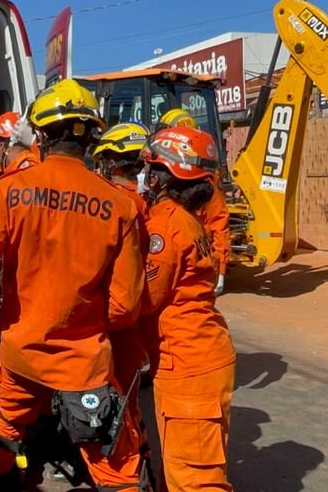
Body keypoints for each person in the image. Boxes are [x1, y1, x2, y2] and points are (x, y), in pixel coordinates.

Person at [0, 79, 147, 491]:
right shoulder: (121, 206)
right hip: (83, 362)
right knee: (114, 461)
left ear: (40, 136)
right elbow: (126, 306)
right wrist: (80, 321)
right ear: (93, 134)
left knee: (4, 426)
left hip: (21, 352)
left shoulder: (9, 191)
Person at [140, 126, 237, 492]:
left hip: (188, 364)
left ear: (162, 175)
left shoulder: (166, 226)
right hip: (201, 355)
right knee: (190, 469)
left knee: (195, 480)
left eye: (151, 169)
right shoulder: (188, 220)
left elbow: (146, 296)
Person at [92, 123, 153, 417]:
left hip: (109, 312)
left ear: (109, 161)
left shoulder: (109, 201)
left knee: (111, 402)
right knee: (127, 396)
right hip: (134, 311)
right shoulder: (145, 203)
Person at [158, 109, 231, 295]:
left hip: (193, 249)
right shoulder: (166, 170)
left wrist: (221, 267)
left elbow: (218, 221)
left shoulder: (207, 178)